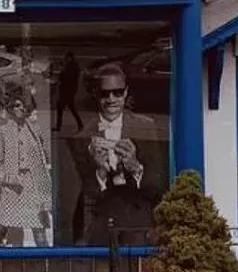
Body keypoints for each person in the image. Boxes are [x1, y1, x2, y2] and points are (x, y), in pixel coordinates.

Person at [71, 61, 169, 244]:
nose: (111, 99)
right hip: (101, 225)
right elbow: (82, 193)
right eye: (105, 93)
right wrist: (99, 172)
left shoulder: (145, 127)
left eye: (118, 92)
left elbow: (158, 185)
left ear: (126, 92)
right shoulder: (83, 137)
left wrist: (136, 168)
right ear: (95, 94)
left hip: (139, 224)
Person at [0, 89, 52, 248]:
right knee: (14, 236)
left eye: (24, 106)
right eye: (17, 105)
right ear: (11, 107)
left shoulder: (34, 131)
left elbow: (42, 160)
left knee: (40, 233)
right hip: (13, 188)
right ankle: (16, 269)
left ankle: (45, 269)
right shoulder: (1, 132)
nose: (21, 109)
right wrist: (6, 179)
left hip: (33, 185)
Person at [54, 51, 83, 133]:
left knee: (62, 107)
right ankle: (80, 125)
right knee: (70, 108)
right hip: (69, 91)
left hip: (67, 91)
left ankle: (59, 126)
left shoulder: (70, 67)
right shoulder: (74, 66)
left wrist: (62, 70)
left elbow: (64, 78)